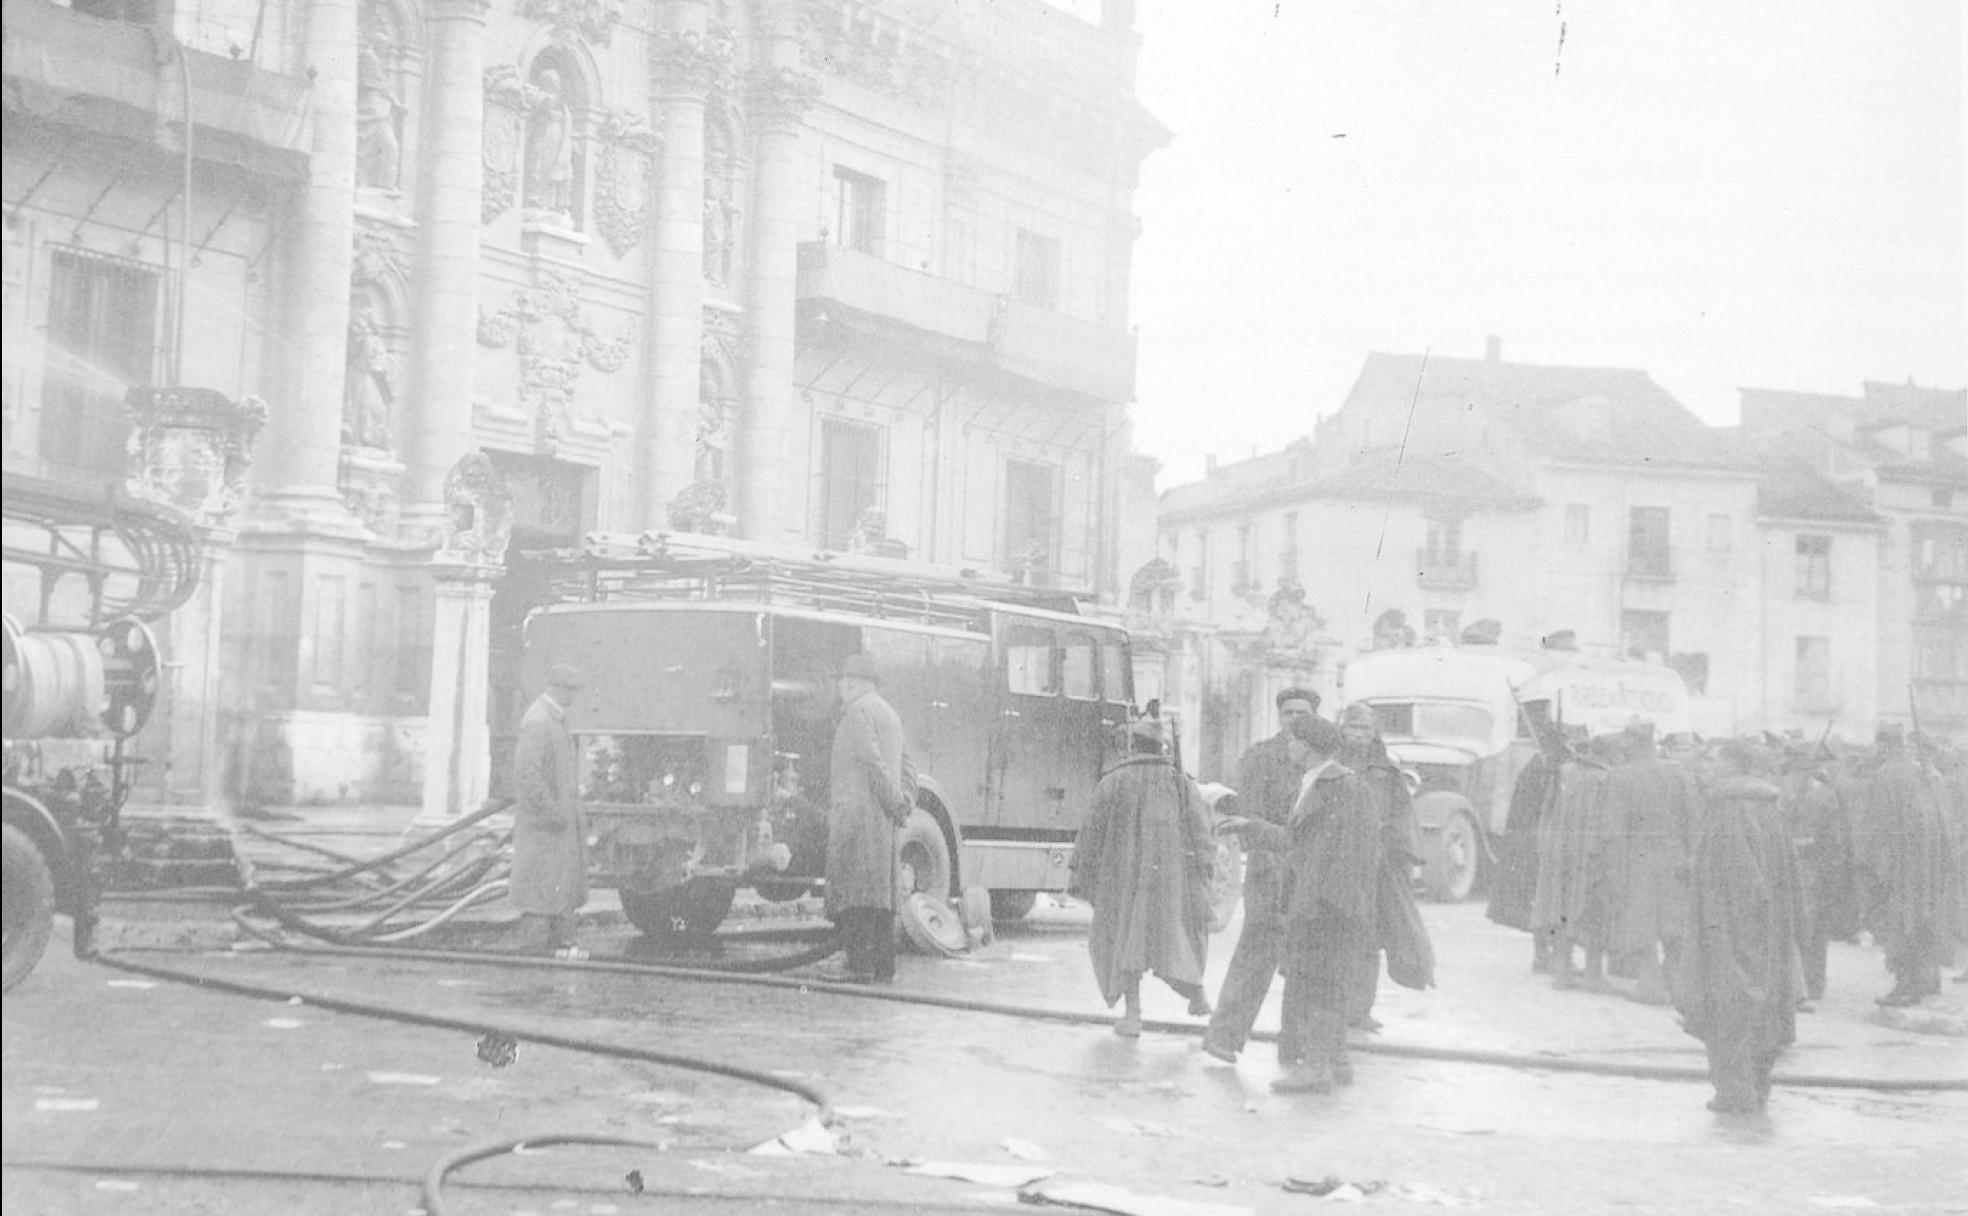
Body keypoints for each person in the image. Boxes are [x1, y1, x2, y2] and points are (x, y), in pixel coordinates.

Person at [1227, 716, 1381, 1093]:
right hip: (1320, 903)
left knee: (1322, 983)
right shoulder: (1318, 782)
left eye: (1294, 740)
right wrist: (1249, 827)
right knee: (1318, 981)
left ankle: (1317, 1070)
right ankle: (1336, 1063)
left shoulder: (1341, 785)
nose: (1289, 746)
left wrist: (1325, 902)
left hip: (1328, 906)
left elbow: (1349, 852)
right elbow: (1298, 841)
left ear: (1309, 746)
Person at [1672, 740, 1802, 1115]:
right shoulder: (1769, 809)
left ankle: (1735, 1095)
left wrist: (1737, 942)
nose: (1709, 767)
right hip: (1770, 933)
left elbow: (1742, 883)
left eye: (1716, 761)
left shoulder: (1729, 811)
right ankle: (1756, 1090)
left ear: (1735, 766)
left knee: (1729, 1011)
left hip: (1730, 933)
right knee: (1766, 1014)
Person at [1069, 716, 1216, 1038]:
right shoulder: (1181, 782)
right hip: (1170, 881)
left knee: (1125, 942)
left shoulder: (1113, 781)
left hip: (1122, 880)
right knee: (1175, 939)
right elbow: (1202, 831)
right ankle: (1198, 997)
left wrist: (1081, 873)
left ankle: (1133, 1015)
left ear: (1132, 745)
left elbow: (1091, 833)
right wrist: (1204, 869)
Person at [1202, 687, 1317, 1063]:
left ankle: (1296, 1043)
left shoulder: (1324, 760)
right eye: (1289, 712)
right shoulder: (1260, 757)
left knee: (1307, 960)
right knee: (1256, 954)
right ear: (1279, 716)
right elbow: (1248, 816)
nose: (1295, 719)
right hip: (1272, 871)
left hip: (1312, 874)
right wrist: (1271, 852)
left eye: (1303, 712)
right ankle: (1223, 1036)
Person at [1338, 701, 1430, 1032]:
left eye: (1365, 729)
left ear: (1374, 733)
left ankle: (1361, 1009)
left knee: (1369, 941)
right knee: (1338, 940)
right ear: (1342, 729)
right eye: (1353, 728)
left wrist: (1400, 855)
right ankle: (1336, 1008)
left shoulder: (1386, 772)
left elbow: (1402, 816)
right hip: (1339, 865)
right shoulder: (1330, 765)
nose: (1359, 735)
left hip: (1377, 868)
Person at [825, 653, 916, 983]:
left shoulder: (857, 713)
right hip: (883, 823)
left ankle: (861, 969)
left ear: (852, 683)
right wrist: (904, 803)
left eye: (843, 682)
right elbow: (908, 766)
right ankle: (884, 969)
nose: (840, 688)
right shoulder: (890, 714)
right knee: (881, 899)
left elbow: (871, 762)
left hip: (858, 820)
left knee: (857, 896)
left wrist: (893, 801)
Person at [1599, 719, 1704, 1004]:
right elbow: (1695, 822)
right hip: (1676, 859)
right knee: (1675, 925)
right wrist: (1692, 858)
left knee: (1641, 923)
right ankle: (1678, 986)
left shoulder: (1620, 777)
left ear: (1634, 743)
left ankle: (1650, 984)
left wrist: (1613, 870)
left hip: (1639, 860)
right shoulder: (1680, 774)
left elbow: (1613, 831)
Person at [1860, 725, 1953, 1006]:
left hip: (1900, 866)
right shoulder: (1924, 772)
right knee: (1924, 920)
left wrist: (1876, 867)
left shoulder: (1887, 774)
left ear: (1885, 746)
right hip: (1927, 865)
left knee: (1900, 925)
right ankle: (1927, 982)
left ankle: (1905, 987)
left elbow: (1879, 826)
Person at [511, 663, 591, 958]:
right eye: (571, 690)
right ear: (558, 689)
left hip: (555, 832)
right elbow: (527, 776)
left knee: (556, 895)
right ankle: (535, 969)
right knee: (538, 900)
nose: (573, 696)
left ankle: (555, 958)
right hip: (543, 832)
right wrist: (553, 812)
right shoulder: (538, 721)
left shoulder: (553, 720)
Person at [1777, 743, 1857, 1003]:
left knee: (1807, 928)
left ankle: (1807, 985)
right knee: (1806, 929)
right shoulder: (1787, 793)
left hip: (1808, 869)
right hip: (1802, 869)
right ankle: (1806, 984)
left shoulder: (1821, 795)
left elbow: (1832, 838)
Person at [1488, 701, 1563, 970]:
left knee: (1541, 902)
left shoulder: (1542, 767)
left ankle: (1544, 954)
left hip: (1533, 841)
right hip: (1535, 843)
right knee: (1543, 901)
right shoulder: (1542, 769)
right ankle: (1544, 954)